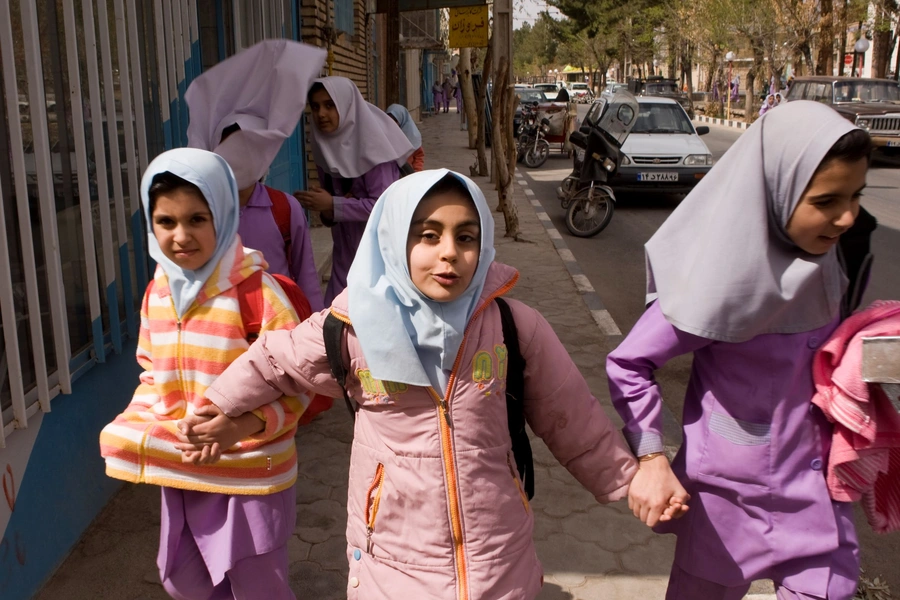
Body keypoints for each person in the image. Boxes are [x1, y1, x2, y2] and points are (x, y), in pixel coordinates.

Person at [203, 169, 641, 599]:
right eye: (428, 235)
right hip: (391, 560)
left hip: (498, 558)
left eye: (466, 237)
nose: (449, 252)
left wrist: (628, 480)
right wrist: (220, 406)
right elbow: (273, 359)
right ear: (394, 241)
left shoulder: (513, 327)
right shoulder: (352, 329)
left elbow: (571, 414)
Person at [607, 101, 872, 600]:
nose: (847, 216)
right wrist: (651, 458)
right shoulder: (717, 281)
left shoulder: (843, 262)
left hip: (818, 498)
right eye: (825, 201)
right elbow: (629, 363)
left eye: (856, 195)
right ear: (777, 191)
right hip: (727, 507)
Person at [99, 148, 308, 600]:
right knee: (183, 580)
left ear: (225, 215)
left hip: (252, 476)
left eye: (197, 219)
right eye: (166, 221)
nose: (181, 236)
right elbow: (151, 375)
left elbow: (300, 383)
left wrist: (241, 425)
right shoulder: (158, 291)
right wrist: (134, 430)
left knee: (258, 588)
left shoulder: (259, 294)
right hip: (185, 473)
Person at [185, 39, 326, 312]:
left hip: (277, 328)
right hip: (221, 330)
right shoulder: (202, 212)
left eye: (249, 148)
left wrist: (315, 328)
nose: (240, 159)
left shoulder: (285, 208)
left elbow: (306, 275)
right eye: (232, 147)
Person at [294, 77, 413, 305]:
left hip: (381, 255)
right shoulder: (323, 145)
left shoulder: (374, 147)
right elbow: (333, 209)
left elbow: (383, 205)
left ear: (346, 105)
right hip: (345, 254)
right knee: (337, 319)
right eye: (315, 106)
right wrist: (324, 207)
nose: (321, 114)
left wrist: (332, 205)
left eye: (330, 105)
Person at [386, 103, 425, 172]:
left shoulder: (412, 136)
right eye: (389, 120)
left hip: (408, 174)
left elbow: (418, 156)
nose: (392, 123)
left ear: (402, 119)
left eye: (395, 120)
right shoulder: (385, 135)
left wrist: (417, 172)